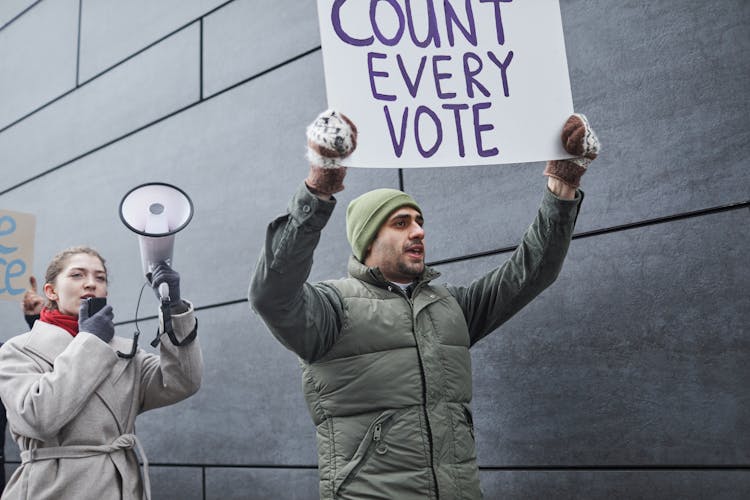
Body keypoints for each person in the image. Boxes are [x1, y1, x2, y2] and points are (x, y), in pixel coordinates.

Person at [249, 109, 599, 499]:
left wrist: (563, 184)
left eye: (418, 221)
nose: (418, 231)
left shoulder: (449, 307)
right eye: (400, 223)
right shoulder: (332, 309)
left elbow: (532, 271)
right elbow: (271, 294)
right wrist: (321, 183)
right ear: (367, 242)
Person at [0, 246, 203, 499]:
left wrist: (173, 307)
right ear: (51, 291)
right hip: (50, 488)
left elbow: (183, 382)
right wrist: (92, 341)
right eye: (77, 275)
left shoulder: (126, 351)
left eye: (100, 278)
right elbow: (39, 418)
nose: (90, 284)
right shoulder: (18, 350)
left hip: (119, 486)